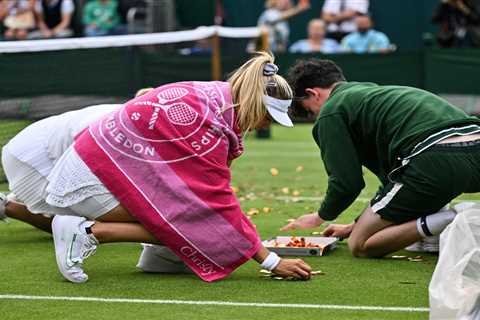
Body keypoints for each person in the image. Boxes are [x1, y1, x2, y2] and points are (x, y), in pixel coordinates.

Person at [1, 52, 312, 283]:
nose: (263, 126)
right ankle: (88, 231)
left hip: (82, 167)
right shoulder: (209, 122)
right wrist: (270, 260)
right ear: (256, 103)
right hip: (69, 172)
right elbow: (214, 203)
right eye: (267, 117)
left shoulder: (210, 99)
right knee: (194, 223)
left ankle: (160, 256)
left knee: (187, 217)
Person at [282, 58, 480, 258]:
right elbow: (392, 181)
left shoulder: (331, 111)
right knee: (403, 218)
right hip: (475, 146)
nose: (315, 115)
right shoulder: (373, 94)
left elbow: (346, 183)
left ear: (312, 94)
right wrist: (357, 223)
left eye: (309, 111)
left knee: (360, 244)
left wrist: (320, 216)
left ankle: (450, 217)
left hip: (434, 161)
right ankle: (436, 228)